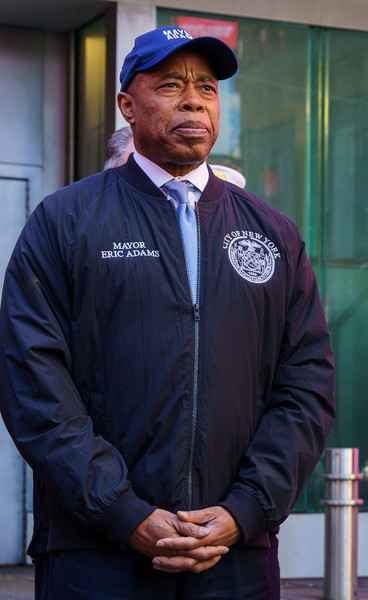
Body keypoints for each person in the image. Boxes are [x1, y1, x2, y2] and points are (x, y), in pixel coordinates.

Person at [0, 25, 335, 599]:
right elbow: (33, 380)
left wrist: (245, 508)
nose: (193, 100)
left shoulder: (271, 232)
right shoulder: (67, 221)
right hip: (99, 552)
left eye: (206, 88)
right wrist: (122, 511)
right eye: (170, 85)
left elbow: (306, 384)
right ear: (128, 106)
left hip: (233, 554)